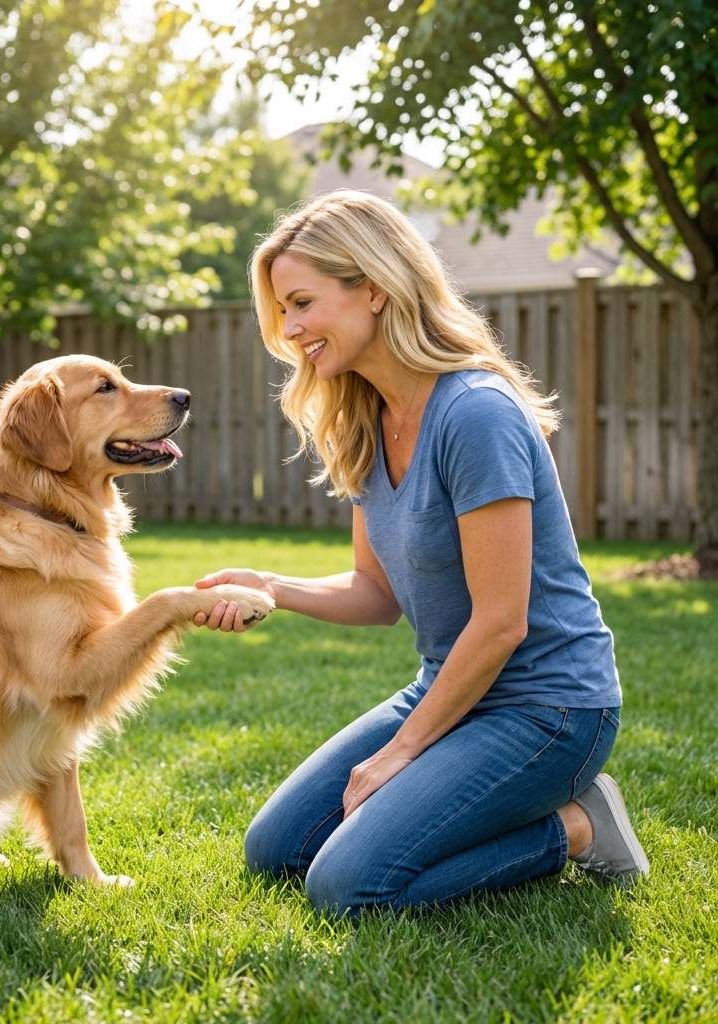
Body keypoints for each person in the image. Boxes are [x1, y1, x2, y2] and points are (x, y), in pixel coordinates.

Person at [192, 190, 648, 915]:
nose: (290, 328)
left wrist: (399, 753)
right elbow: (375, 596)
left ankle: (578, 824)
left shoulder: (474, 413)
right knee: (275, 851)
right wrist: (271, 585)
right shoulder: (366, 420)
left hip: (549, 710)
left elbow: (502, 622)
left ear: (372, 287)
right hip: (451, 687)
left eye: (303, 302)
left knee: (347, 888)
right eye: (283, 310)